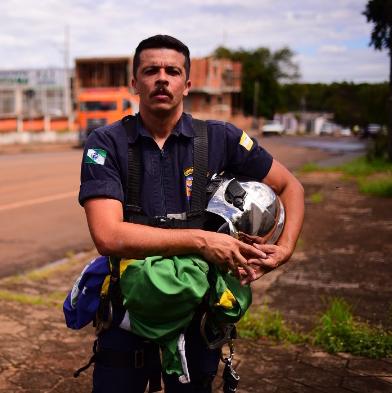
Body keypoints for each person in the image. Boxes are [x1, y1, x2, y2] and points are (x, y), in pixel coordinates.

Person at [79, 34, 304, 393]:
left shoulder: (221, 138)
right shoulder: (106, 143)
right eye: (151, 70)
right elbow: (108, 236)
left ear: (188, 82)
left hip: (198, 317)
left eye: (173, 70)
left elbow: (291, 186)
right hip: (128, 315)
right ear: (134, 82)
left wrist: (285, 248)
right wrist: (201, 241)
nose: (162, 78)